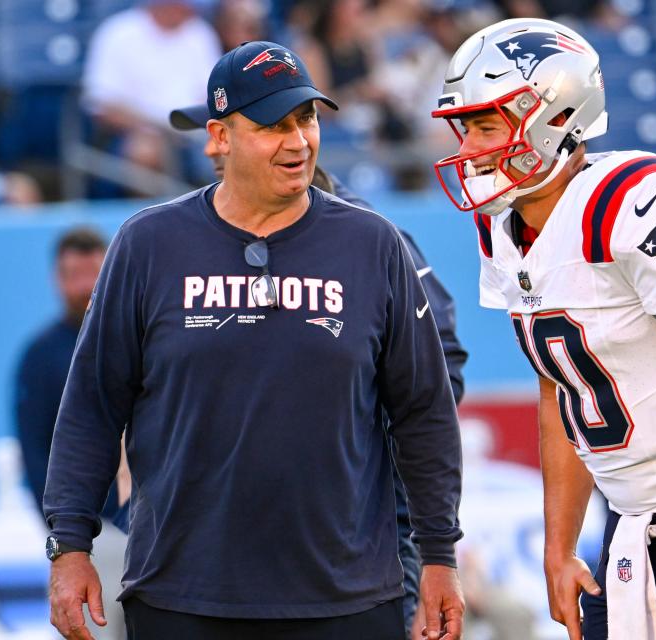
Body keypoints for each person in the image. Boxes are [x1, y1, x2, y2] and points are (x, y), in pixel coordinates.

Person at [44, 40, 465, 640]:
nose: (297, 141)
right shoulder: (147, 245)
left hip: (347, 597)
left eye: (306, 119)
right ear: (218, 136)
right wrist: (69, 544)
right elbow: (90, 405)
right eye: (272, 125)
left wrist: (439, 554)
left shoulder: (373, 244)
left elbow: (426, 410)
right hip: (182, 595)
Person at [430, 18, 656, 640]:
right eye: (465, 127)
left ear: (552, 118)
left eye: (486, 125)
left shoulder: (628, 202)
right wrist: (559, 547)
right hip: (630, 517)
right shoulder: (501, 229)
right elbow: (563, 392)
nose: (469, 147)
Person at [168, 100, 469, 637]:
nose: (215, 152)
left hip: (356, 530)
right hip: (230, 535)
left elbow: (440, 370)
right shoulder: (199, 233)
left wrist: (345, 442)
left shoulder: (370, 236)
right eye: (214, 135)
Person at [13, 228, 129, 640]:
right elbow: (34, 449)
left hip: (149, 526)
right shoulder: (42, 356)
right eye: (72, 274)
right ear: (56, 279)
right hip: (88, 530)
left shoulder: (139, 339)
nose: (83, 286)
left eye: (92, 272)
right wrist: (64, 533)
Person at [81, 0, 221, 180]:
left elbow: (211, 92)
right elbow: (101, 103)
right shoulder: (119, 32)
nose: (189, 11)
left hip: (194, 132)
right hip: (137, 132)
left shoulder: (200, 33)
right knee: (145, 152)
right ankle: (155, 209)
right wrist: (159, 127)